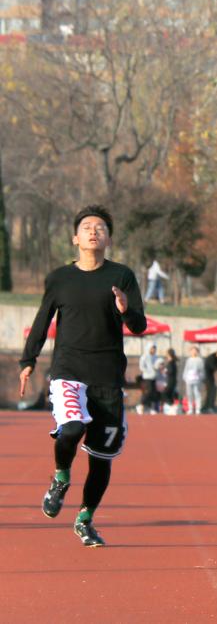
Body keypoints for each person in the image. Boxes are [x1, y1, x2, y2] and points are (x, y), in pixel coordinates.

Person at [19, 205, 146, 547]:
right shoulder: (60, 278)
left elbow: (139, 325)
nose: (93, 231)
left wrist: (126, 310)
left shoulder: (122, 276)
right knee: (72, 428)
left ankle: (85, 519)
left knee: (101, 459)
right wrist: (28, 360)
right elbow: (43, 319)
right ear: (75, 238)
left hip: (108, 377)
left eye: (100, 228)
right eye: (87, 227)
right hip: (69, 371)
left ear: (108, 239)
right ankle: (61, 478)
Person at [138, 343, 160, 414]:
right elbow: (141, 367)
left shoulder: (155, 357)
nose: (154, 350)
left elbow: (157, 365)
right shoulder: (144, 356)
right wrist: (149, 371)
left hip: (154, 377)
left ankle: (151, 408)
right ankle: (140, 405)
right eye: (152, 348)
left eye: (155, 348)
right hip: (147, 377)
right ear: (149, 348)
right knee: (148, 392)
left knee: (153, 393)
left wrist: (157, 368)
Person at [202, 348, 217, 413]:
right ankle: (209, 407)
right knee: (211, 392)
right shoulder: (211, 358)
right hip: (207, 378)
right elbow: (213, 366)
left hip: (210, 377)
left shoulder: (215, 357)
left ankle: (208, 406)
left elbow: (216, 366)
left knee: (212, 392)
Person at [183, 347, 204, 415]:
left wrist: (200, 377)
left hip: (196, 380)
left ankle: (198, 409)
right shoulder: (188, 360)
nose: (194, 352)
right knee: (189, 394)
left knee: (197, 393)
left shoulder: (200, 360)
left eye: (195, 351)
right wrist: (185, 378)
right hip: (189, 380)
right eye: (192, 351)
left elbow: (202, 370)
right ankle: (190, 409)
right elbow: (186, 369)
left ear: (197, 352)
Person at [162, 348, 179, 414]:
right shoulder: (170, 362)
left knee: (166, 393)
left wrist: (165, 371)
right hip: (170, 380)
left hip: (171, 380)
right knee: (169, 394)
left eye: (167, 353)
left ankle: (172, 406)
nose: (165, 355)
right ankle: (171, 407)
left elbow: (171, 371)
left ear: (169, 354)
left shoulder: (172, 362)